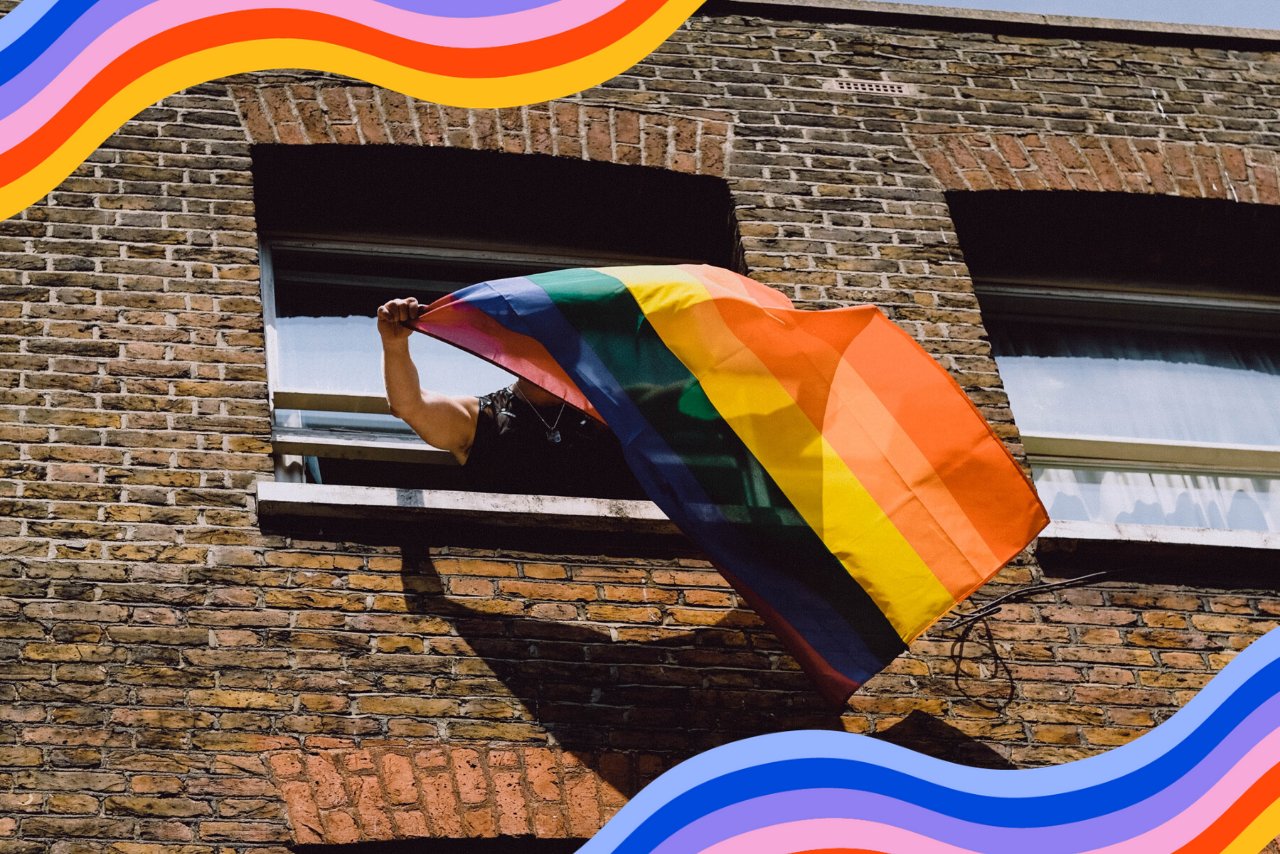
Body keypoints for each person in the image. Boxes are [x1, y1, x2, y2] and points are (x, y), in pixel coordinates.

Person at [377, 297, 644, 498]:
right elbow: (409, 406)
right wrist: (394, 344)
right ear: (512, 349)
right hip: (503, 555)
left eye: (561, 338)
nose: (549, 348)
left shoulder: (610, 411)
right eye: (536, 338)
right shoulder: (482, 417)